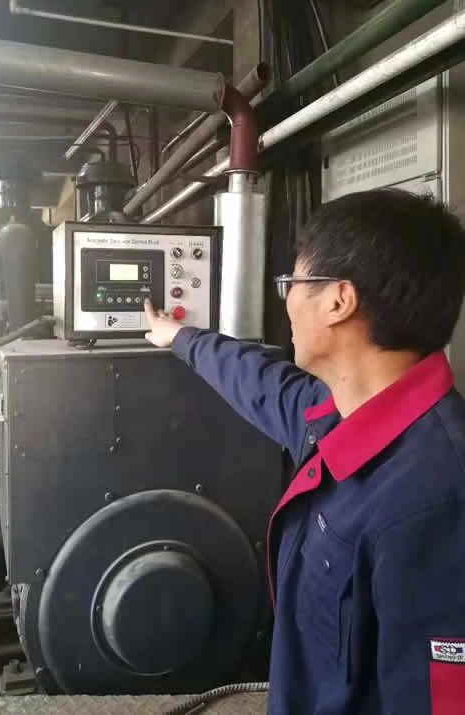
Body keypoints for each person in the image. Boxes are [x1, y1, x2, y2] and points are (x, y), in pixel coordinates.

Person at [144, 188, 465, 715]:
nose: (287, 301)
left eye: (291, 283)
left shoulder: (437, 497)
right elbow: (257, 381)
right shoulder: (338, 413)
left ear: (339, 300)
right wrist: (179, 336)